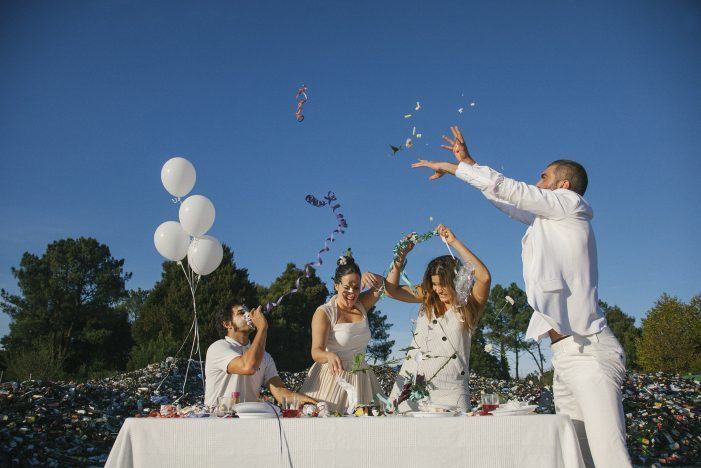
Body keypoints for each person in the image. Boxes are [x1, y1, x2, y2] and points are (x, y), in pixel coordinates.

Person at [412, 126, 631, 468]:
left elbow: (511, 189)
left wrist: (457, 168)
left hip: (589, 351)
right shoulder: (549, 220)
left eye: (543, 177)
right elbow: (508, 202)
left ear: (563, 185)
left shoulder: (571, 205)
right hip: (565, 355)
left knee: (609, 456)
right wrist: (468, 163)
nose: (537, 182)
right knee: (577, 456)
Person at [372, 224, 490, 412]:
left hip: (451, 391)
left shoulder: (469, 305)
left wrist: (454, 242)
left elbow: (484, 277)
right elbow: (391, 290)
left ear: (456, 279)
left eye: (443, 284)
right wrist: (400, 257)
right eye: (434, 284)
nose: (438, 289)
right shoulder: (428, 298)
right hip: (411, 386)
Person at [299, 251, 385, 413]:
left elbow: (383, 285)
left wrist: (371, 276)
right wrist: (328, 355)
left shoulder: (361, 305)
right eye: (346, 287)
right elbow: (316, 352)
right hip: (333, 379)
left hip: (362, 380)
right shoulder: (324, 312)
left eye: (356, 287)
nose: (352, 292)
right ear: (336, 285)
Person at [204, 301, 316, 408]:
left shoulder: (264, 356)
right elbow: (248, 367)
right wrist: (262, 328)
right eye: (241, 312)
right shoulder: (218, 348)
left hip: (248, 420)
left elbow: (281, 393)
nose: (248, 314)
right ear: (227, 324)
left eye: (247, 311)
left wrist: (309, 402)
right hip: (217, 419)